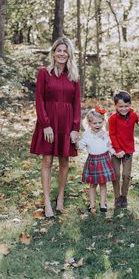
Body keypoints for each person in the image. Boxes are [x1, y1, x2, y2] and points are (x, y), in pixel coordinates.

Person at [30, 37, 81, 218]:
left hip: (67, 123)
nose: (61, 54)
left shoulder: (73, 76)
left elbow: (76, 104)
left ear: (69, 54)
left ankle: (60, 197)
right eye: (58, 50)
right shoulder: (44, 73)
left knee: (64, 161)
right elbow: (39, 100)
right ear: (53, 53)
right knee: (48, 161)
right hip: (49, 122)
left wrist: (75, 128)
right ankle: (46, 201)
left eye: (65, 51)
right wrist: (45, 125)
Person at [108, 91, 139, 208]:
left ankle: (124, 196)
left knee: (126, 175)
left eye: (126, 106)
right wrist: (118, 149)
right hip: (116, 151)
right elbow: (112, 135)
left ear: (130, 105)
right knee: (116, 174)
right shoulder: (113, 119)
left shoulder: (133, 115)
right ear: (115, 106)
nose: (124, 109)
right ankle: (117, 197)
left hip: (128, 151)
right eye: (121, 106)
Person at [75, 107, 116, 213]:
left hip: (104, 159)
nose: (97, 125)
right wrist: (75, 143)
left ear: (103, 121)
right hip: (93, 161)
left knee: (103, 183)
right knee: (92, 184)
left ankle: (103, 203)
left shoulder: (105, 134)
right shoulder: (87, 134)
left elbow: (109, 146)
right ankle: (92, 204)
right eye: (94, 123)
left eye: (100, 122)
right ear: (89, 123)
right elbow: (80, 146)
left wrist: (115, 152)